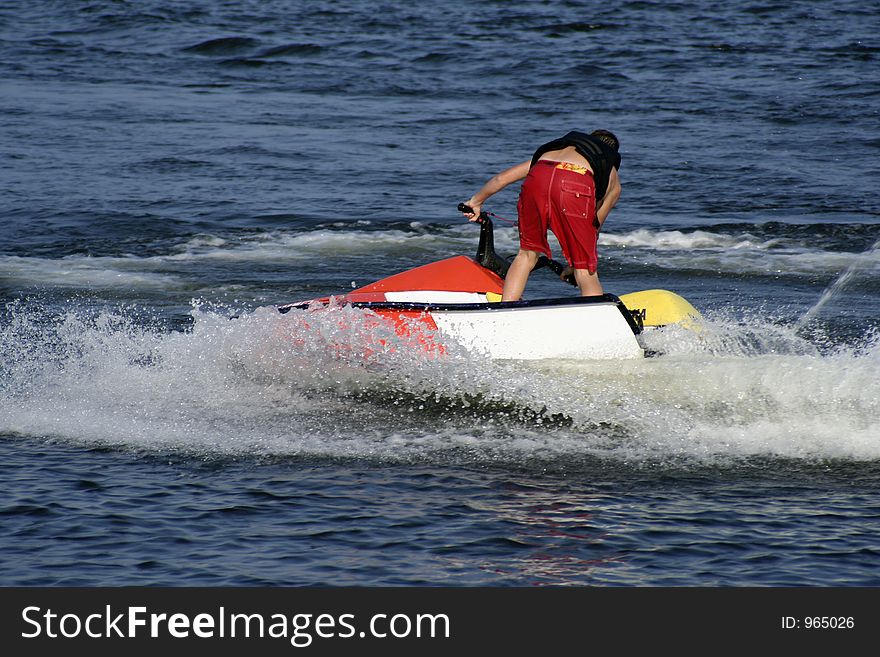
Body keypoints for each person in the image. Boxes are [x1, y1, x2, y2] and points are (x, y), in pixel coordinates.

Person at [461, 129, 621, 301]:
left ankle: (506, 308)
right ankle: (595, 319)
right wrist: (574, 266)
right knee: (585, 267)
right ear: (612, 152)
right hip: (575, 183)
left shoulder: (555, 152)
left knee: (526, 255)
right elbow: (593, 227)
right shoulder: (610, 171)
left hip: (539, 176)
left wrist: (476, 202)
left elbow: (502, 179)